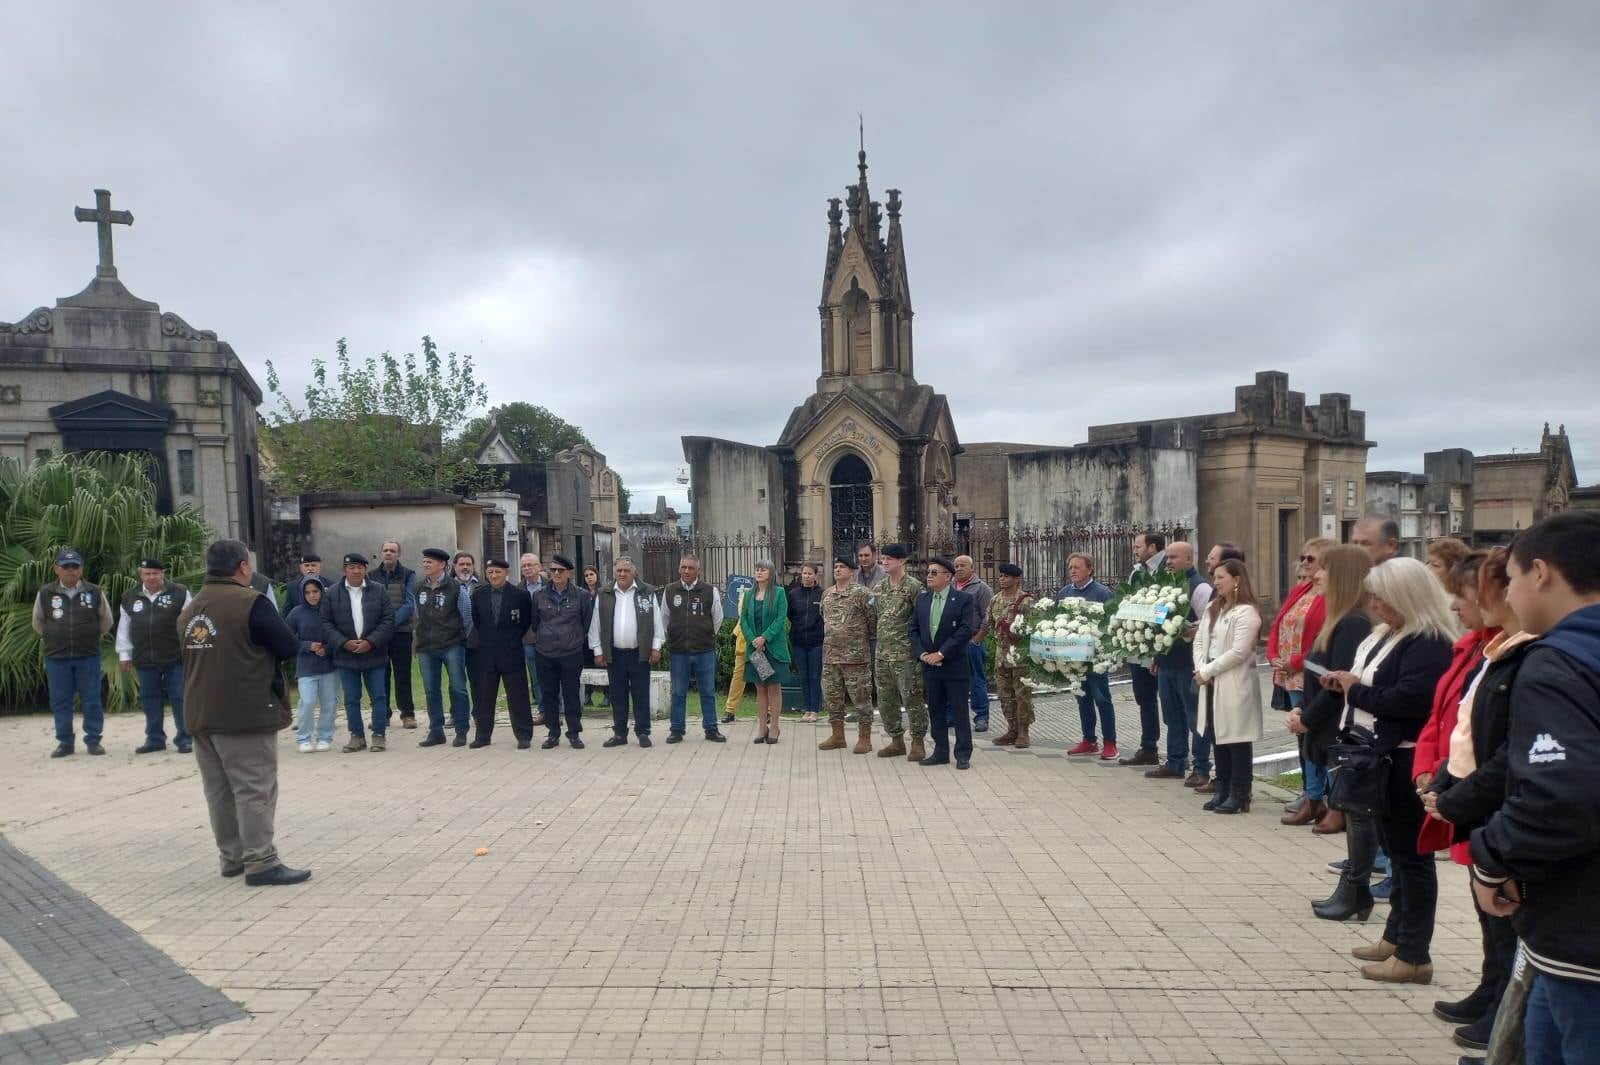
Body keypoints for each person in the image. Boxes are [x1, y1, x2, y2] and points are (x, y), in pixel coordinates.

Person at [1468, 511, 1600, 1061]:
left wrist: (1492, 860)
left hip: (1582, 924)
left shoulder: (1557, 663)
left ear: (1541, 573)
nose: (1512, 594)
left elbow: (1559, 794)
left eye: (1514, 578)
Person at [1319, 557, 1457, 984]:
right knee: (1398, 854)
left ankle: (1415, 953)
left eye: (1382, 598)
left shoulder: (1428, 640)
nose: (1375, 605)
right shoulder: (1391, 634)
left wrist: (1356, 690)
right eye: (1374, 597)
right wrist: (1349, 683)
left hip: (1405, 758)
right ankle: (1396, 936)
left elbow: (1409, 699)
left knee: (1413, 861)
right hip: (1383, 754)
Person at [1421, 549, 1530, 1052]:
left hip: (1493, 802)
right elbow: (1463, 723)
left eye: (1464, 595)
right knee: (1489, 912)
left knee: (1508, 915)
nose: (1458, 605)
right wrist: (1444, 779)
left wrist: (1460, 794)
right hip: (1471, 795)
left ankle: (1504, 1006)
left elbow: (1509, 747)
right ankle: (1492, 990)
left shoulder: (1527, 654)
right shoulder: (1496, 649)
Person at [179, 538, 308, 886]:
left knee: (218, 791)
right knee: (255, 788)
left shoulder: (190, 610)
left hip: (200, 713)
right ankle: (261, 861)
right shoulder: (251, 602)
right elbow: (288, 646)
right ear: (242, 566)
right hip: (244, 713)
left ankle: (232, 858)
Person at [1290, 545, 1374, 844]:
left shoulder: (1353, 622)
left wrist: (1308, 719)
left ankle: (1364, 869)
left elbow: (1338, 684)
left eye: (1324, 568)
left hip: (1336, 727)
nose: (1316, 574)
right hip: (1320, 719)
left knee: (1353, 807)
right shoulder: (1338, 619)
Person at [1193, 559, 1264, 814]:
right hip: (1210, 680)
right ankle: (1221, 787)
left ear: (1236, 580)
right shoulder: (1214, 607)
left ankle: (1240, 792)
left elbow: (1238, 651)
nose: (1216, 582)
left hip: (1233, 681)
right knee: (1217, 735)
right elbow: (1200, 641)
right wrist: (1201, 666)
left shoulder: (1246, 612)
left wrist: (1208, 670)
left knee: (1236, 737)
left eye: (1221, 577)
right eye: (1215, 577)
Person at [1273, 538, 1334, 826]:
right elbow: (1280, 622)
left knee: (1316, 737)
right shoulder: (1302, 589)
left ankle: (1324, 799)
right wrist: (1274, 655)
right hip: (1291, 676)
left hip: (1308, 674)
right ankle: (1311, 797)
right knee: (1303, 738)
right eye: (1303, 558)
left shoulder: (1327, 597)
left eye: (1311, 559)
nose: (1305, 564)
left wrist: (1294, 663)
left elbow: (1320, 641)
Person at [32, 547, 114, 757]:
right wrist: (54, 637)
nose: (70, 570)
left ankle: (94, 740)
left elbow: (106, 620)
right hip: (57, 657)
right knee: (60, 701)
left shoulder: (94, 591)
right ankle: (65, 742)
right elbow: (38, 622)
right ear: (56, 569)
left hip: (88, 655)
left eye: (74, 566)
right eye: (65, 566)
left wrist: (88, 636)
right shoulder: (45, 593)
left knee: (92, 699)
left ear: (81, 569)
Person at [1144, 542, 1214, 785]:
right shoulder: (1167, 584)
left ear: (1189, 559)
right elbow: (1160, 622)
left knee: (1195, 718)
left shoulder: (1201, 587)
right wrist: (1157, 655)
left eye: (1174, 557)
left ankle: (1201, 767)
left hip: (1189, 664)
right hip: (1167, 662)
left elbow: (1210, 624)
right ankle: (1175, 762)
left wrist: (1192, 631)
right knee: (1172, 715)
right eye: (1168, 557)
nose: (1169, 562)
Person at [320, 552, 396, 753]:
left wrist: (371, 642)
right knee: (351, 699)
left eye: (360, 567)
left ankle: (379, 735)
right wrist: (343, 642)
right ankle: (356, 736)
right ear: (344, 570)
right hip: (346, 656)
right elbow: (326, 623)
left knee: (379, 697)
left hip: (375, 654)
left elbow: (388, 620)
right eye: (351, 567)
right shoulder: (332, 593)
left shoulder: (379, 591)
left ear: (365, 569)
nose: (356, 571)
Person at [116, 557, 192, 754]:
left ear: (163, 573)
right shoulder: (129, 596)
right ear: (140, 575)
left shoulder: (180, 593)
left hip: (175, 655)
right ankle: (154, 738)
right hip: (144, 656)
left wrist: (191, 650)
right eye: (147, 573)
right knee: (149, 699)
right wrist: (124, 654)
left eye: (155, 573)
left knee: (179, 697)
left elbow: (190, 623)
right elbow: (124, 627)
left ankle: (185, 738)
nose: (151, 577)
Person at [911, 556, 979, 769]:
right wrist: (923, 654)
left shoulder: (963, 599)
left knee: (959, 711)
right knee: (935, 710)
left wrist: (941, 653)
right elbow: (913, 629)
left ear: (948, 576)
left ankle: (963, 753)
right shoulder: (922, 599)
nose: (929, 576)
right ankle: (940, 751)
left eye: (934, 572)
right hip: (929, 665)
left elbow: (965, 630)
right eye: (928, 572)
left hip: (954, 665)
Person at [590, 555, 661, 748]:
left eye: (626, 571)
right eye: (619, 570)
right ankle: (620, 733)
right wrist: (597, 650)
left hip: (640, 654)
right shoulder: (604, 593)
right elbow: (596, 624)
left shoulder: (646, 592)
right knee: (617, 695)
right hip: (615, 654)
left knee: (641, 695)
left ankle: (643, 732)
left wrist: (656, 647)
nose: (622, 574)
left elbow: (657, 622)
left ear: (634, 573)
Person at [660, 555, 726, 743]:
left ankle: (711, 729)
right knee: (678, 692)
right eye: (683, 567)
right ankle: (677, 729)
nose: (687, 571)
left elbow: (718, 618)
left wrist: (703, 633)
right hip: (679, 650)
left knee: (708, 691)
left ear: (698, 570)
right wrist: (673, 636)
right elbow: (664, 619)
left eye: (691, 568)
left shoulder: (709, 590)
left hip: (704, 650)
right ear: (679, 569)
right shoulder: (670, 590)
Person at [530, 554, 594, 749]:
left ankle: (574, 733)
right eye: (553, 570)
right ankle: (553, 733)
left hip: (571, 653)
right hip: (545, 652)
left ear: (569, 573)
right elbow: (535, 623)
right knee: (548, 695)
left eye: (561, 571)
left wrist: (572, 639)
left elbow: (586, 622)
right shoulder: (539, 595)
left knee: (571, 694)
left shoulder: (581, 595)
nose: (556, 574)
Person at [468, 558, 534, 748]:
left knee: (518, 696)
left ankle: (523, 735)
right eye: (490, 573)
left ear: (507, 573)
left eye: (498, 572)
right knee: (484, 697)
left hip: (511, 652)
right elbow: (477, 621)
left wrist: (511, 639)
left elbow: (525, 622)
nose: (494, 576)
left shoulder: (520, 595)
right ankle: (482, 735)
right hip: (486, 652)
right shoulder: (478, 595)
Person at [413, 547, 474, 747]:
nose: (425, 565)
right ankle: (436, 731)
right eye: (424, 561)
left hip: (451, 644)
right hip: (426, 646)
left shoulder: (456, 588)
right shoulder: (419, 587)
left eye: (430, 562)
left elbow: (467, 617)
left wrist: (458, 637)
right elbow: (417, 616)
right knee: (431, 690)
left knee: (458, 688)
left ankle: (461, 730)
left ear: (443, 565)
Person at [1058, 553, 1116, 759]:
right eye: (1070, 567)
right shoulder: (1065, 593)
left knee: (1102, 699)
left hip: (1097, 658)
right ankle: (1089, 740)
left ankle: (1110, 743)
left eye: (1077, 567)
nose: (1072, 570)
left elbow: (1111, 623)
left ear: (1090, 569)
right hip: (1074, 657)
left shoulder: (1102, 593)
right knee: (1082, 698)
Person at [871, 544, 926, 759]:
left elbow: (921, 619)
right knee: (886, 700)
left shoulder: (914, 587)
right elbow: (876, 616)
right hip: (883, 653)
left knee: (912, 699)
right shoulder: (880, 587)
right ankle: (896, 740)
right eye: (883, 558)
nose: (884, 562)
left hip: (906, 655)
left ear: (901, 561)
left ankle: (918, 741)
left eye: (889, 559)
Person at [1119, 531, 1168, 767]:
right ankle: (1148, 747)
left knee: (1172, 702)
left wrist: (1147, 615)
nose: (1135, 550)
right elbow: (1127, 603)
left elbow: (1169, 607)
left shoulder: (1168, 570)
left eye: (1139, 546)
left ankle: (1181, 753)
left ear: (1153, 547)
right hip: (1139, 643)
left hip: (1162, 645)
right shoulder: (1137, 573)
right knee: (1144, 698)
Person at [819, 557, 875, 752]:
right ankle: (837, 736)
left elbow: (873, 623)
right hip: (831, 656)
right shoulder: (827, 594)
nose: (837, 569)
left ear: (853, 571)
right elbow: (823, 619)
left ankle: (865, 738)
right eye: (835, 566)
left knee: (861, 699)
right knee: (832, 697)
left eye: (842, 567)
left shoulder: (863, 594)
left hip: (855, 657)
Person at [285, 577, 338, 752]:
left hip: (329, 665)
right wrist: (308, 646)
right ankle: (303, 737)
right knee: (307, 702)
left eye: (315, 591)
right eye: (307, 592)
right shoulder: (296, 613)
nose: (312, 596)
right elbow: (288, 639)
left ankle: (324, 736)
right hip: (306, 666)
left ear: (322, 591)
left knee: (329, 702)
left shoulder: (331, 610)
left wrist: (328, 648)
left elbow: (340, 635)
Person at [742, 560, 792, 744]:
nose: (759, 572)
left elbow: (780, 619)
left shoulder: (778, 593)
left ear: (770, 573)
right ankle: (762, 727)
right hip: (756, 649)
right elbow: (744, 619)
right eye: (757, 569)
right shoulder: (749, 595)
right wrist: (754, 640)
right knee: (760, 688)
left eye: (763, 569)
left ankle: (775, 726)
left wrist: (765, 637)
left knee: (773, 687)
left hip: (772, 648)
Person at [370, 540, 419, 729]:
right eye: (385, 550)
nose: (388, 553)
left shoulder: (408, 575)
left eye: (392, 551)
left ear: (399, 554)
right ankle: (383, 715)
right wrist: (382, 627)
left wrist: (389, 623)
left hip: (402, 632)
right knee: (381, 675)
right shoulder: (371, 576)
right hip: (380, 635)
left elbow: (409, 603)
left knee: (403, 674)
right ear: (381, 553)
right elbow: (371, 603)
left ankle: (407, 714)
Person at [989, 562, 1034, 750]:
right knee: (1005, 694)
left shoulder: (1025, 601)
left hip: (1020, 656)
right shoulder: (995, 600)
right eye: (1001, 576)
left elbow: (1033, 627)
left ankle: (1024, 731)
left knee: (1022, 694)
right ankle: (1012, 728)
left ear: (1016, 579)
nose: (1002, 579)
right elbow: (989, 623)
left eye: (1006, 576)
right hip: (1001, 656)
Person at [953, 555, 994, 732]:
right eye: (956, 566)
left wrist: (977, 640)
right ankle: (951, 715)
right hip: (952, 642)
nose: (959, 569)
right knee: (952, 680)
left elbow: (988, 616)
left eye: (963, 565)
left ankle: (982, 717)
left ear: (972, 568)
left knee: (976, 680)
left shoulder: (982, 588)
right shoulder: (949, 586)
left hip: (971, 641)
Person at [788, 564, 825, 723]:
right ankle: (807, 709)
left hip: (817, 642)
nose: (807, 576)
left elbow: (825, 617)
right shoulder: (793, 594)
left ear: (816, 575)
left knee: (814, 676)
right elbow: (790, 615)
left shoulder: (823, 594)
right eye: (804, 573)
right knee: (804, 676)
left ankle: (815, 710)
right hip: (798, 641)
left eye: (810, 573)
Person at [519, 552, 546, 724]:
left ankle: (557, 711)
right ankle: (544, 711)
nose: (527, 568)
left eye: (531, 565)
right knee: (536, 676)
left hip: (552, 638)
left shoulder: (551, 585)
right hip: (528, 639)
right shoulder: (517, 588)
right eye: (524, 566)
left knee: (553, 675)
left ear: (539, 566)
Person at [580, 565, 608, 708]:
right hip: (584, 636)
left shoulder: (603, 593)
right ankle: (587, 694)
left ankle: (606, 696)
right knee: (586, 664)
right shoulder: (582, 594)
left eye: (591, 574)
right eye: (586, 575)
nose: (589, 577)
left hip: (600, 634)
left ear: (597, 575)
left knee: (603, 664)